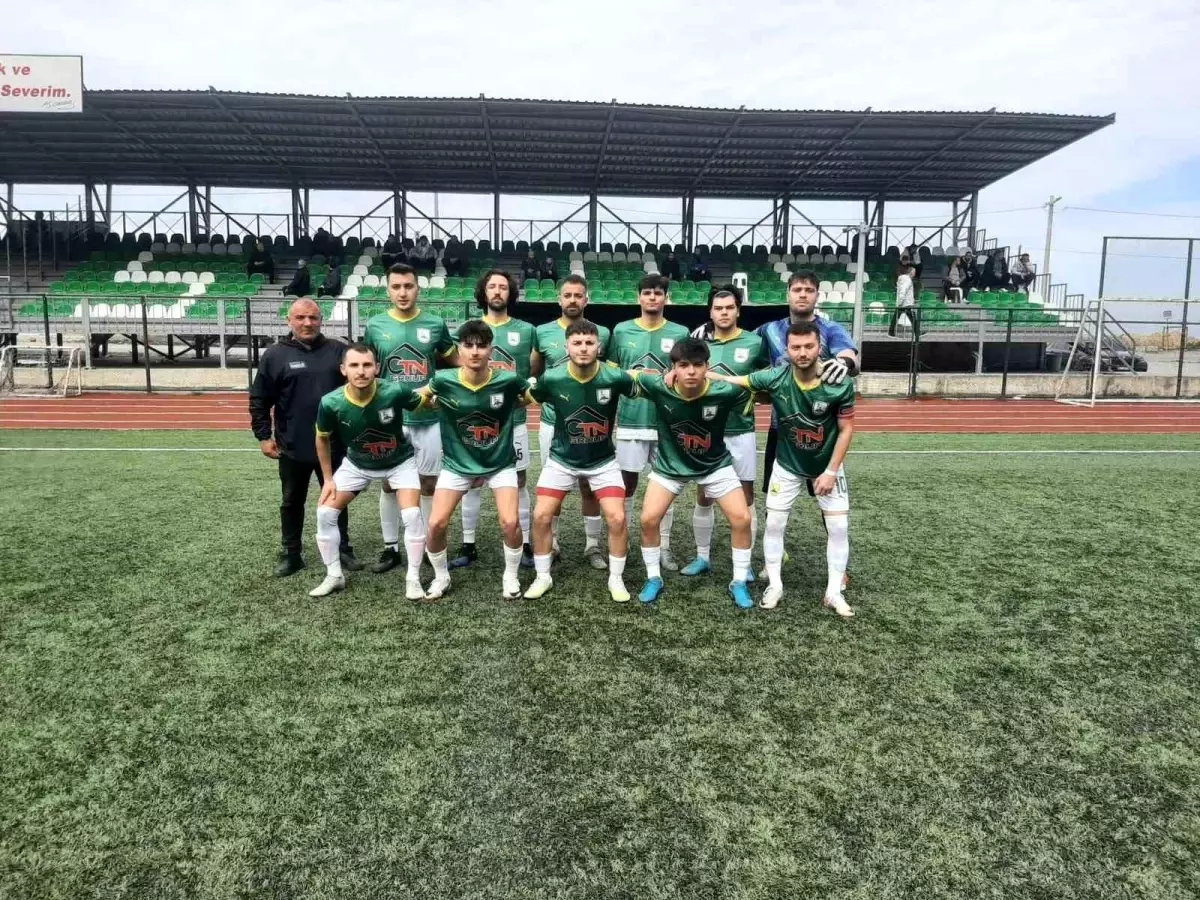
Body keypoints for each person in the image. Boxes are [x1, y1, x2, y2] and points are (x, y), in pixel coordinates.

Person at [708, 320, 856, 617]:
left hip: (825, 465)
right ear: (786, 350)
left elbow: (846, 429)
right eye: (796, 347)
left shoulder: (839, 382)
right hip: (787, 464)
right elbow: (736, 380)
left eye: (809, 346)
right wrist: (694, 373)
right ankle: (775, 585)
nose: (802, 352)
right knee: (775, 523)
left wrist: (830, 472)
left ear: (819, 347)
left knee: (839, 527)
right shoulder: (776, 376)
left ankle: (833, 592)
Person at [630, 339, 755, 608]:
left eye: (698, 365)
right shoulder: (659, 386)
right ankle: (653, 578)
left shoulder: (724, 391)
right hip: (670, 466)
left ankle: (739, 581)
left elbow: (759, 389)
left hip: (715, 466)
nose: (691, 371)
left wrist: (721, 377)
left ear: (707, 367)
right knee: (648, 519)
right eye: (683, 365)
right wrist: (660, 374)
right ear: (673, 367)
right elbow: (628, 375)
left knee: (742, 518)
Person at [422, 320, 536, 601]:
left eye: (482, 346)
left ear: (490, 351)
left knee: (510, 522)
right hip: (457, 463)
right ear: (459, 349)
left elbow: (530, 397)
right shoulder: (443, 380)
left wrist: (513, 404)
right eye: (468, 345)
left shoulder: (508, 379)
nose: (475, 352)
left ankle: (510, 575)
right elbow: (420, 398)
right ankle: (441, 576)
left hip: (500, 462)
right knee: (435, 524)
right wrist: (431, 404)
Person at [249, 298, 361, 577]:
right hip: (292, 444)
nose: (307, 323)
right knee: (291, 501)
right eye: (300, 318)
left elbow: (358, 390)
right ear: (289, 320)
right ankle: (292, 553)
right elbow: (260, 399)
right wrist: (263, 436)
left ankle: (342, 549)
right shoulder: (275, 355)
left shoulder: (338, 351)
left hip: (335, 445)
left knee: (336, 498)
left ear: (321, 320)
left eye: (313, 317)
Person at [523, 319, 633, 603]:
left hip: (603, 461)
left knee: (618, 517)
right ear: (566, 347)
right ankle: (542, 576)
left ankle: (616, 579)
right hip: (561, 458)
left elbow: (645, 386)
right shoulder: (552, 378)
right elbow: (527, 397)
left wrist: (670, 377)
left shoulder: (615, 376)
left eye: (589, 343)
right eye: (577, 343)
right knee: (541, 515)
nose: (583, 348)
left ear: (599, 347)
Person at [308, 343, 430, 599]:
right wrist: (328, 479)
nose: (361, 371)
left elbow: (423, 402)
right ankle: (334, 575)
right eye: (354, 365)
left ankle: (413, 578)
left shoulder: (394, 391)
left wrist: (447, 393)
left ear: (377, 368)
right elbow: (322, 438)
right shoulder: (331, 402)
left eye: (366, 365)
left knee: (411, 515)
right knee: (325, 513)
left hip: (399, 462)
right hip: (357, 465)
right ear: (343, 369)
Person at [362, 263, 457, 573]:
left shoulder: (435, 324)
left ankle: (430, 545)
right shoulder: (375, 325)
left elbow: (456, 361)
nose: (402, 292)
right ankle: (391, 548)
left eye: (408, 286)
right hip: (390, 419)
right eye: (396, 286)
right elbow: (367, 369)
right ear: (387, 290)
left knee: (429, 483)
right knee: (389, 484)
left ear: (418, 288)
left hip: (428, 418)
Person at [606, 274, 691, 571]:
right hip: (631, 419)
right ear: (638, 297)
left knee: (666, 486)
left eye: (658, 293)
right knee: (627, 485)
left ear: (666, 297)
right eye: (647, 292)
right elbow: (613, 375)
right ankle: (625, 541)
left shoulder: (680, 332)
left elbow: (686, 374)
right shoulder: (621, 330)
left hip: (667, 422)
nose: (652, 297)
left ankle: (663, 546)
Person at [452, 270, 537, 570]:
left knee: (520, 480)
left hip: (513, 420)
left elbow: (532, 369)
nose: (498, 291)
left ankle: (525, 543)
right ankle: (468, 545)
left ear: (510, 293)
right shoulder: (468, 329)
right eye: (492, 286)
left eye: (503, 287)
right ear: (483, 292)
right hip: (475, 421)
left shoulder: (527, 330)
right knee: (472, 480)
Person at [682, 285, 768, 579]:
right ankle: (702, 556)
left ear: (738, 311)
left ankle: (746, 563)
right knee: (704, 493)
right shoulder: (700, 344)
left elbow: (766, 379)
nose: (724, 313)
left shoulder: (755, 343)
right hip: (706, 430)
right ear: (710, 312)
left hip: (741, 428)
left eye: (729, 308)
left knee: (746, 494)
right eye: (718, 308)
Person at [534, 275, 611, 568]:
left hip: (590, 422)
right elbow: (536, 373)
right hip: (552, 421)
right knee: (554, 488)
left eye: (578, 295)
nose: (573, 300)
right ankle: (552, 542)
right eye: (567, 295)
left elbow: (607, 372)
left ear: (586, 299)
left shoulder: (603, 332)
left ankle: (592, 545)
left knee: (589, 486)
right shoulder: (541, 331)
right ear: (559, 299)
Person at [889, 264, 918, 337]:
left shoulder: (905, 279)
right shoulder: (907, 280)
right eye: (914, 272)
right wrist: (900, 302)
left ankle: (891, 332)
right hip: (905, 304)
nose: (914, 274)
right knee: (913, 318)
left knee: (896, 318)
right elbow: (903, 291)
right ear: (910, 272)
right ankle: (917, 332)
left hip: (903, 303)